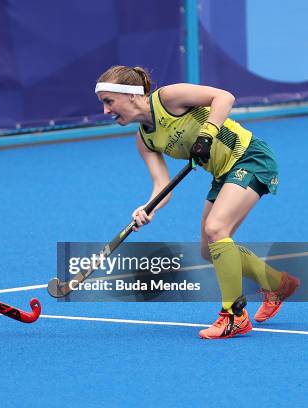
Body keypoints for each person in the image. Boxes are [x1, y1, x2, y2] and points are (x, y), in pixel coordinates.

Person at [94, 66, 300, 339]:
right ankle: (278, 283)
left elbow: (224, 97)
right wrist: (147, 208)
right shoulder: (144, 140)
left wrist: (206, 134)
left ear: (132, 96)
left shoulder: (168, 98)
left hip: (249, 156)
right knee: (208, 249)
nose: (106, 111)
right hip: (222, 173)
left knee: (217, 229)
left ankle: (234, 315)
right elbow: (162, 187)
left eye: (109, 101)